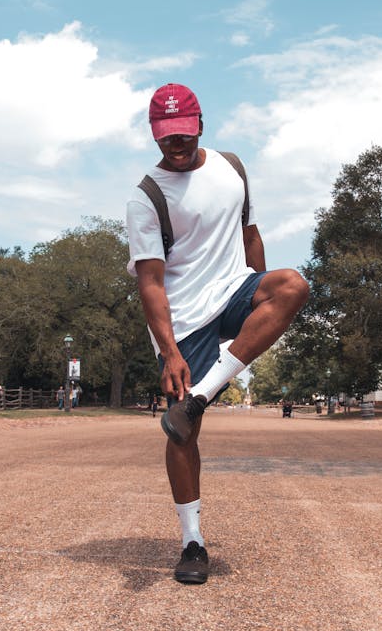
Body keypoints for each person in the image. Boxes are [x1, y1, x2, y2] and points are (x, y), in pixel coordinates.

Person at [126, 83, 309, 585]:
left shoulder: (232, 168)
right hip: (183, 321)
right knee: (182, 432)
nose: (176, 145)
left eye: (183, 135)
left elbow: (250, 236)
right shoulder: (147, 198)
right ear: (154, 135)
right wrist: (169, 352)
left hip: (232, 290)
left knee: (292, 285)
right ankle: (192, 543)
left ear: (200, 124)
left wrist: (257, 313)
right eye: (166, 138)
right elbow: (151, 281)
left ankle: (200, 396)